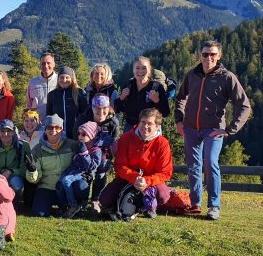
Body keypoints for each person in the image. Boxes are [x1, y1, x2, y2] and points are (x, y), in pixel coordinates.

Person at [175, 40, 251, 220]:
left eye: (212, 54)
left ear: (219, 56)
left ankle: (214, 206)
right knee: (194, 166)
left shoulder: (227, 77)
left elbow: (244, 105)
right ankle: (195, 204)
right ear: (199, 55)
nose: (208, 58)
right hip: (191, 128)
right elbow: (180, 98)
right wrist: (179, 121)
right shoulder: (192, 74)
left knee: (210, 163)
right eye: (205, 54)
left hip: (214, 129)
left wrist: (230, 129)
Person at [99, 108, 173, 219]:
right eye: (143, 122)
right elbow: (120, 165)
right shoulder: (125, 138)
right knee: (105, 200)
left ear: (157, 126)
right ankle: (134, 202)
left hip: (151, 180)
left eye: (150, 124)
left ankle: (146, 204)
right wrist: (135, 178)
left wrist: (146, 181)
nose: (145, 126)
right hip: (128, 178)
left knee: (163, 197)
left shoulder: (162, 143)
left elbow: (165, 172)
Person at [25, 114, 82, 217]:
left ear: (62, 129)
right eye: (50, 127)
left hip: (65, 187)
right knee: (40, 213)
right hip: (47, 187)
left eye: (57, 127)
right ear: (45, 130)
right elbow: (35, 180)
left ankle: (74, 204)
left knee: (82, 185)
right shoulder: (37, 149)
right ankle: (59, 207)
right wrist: (32, 171)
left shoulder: (72, 145)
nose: (53, 130)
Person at [73, 94, 120, 213]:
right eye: (97, 108)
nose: (101, 111)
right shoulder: (83, 119)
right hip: (86, 153)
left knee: (101, 173)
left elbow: (115, 141)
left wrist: (112, 158)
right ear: (92, 108)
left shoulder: (113, 122)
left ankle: (95, 200)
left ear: (108, 108)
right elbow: (75, 137)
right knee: (85, 176)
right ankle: (83, 199)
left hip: (104, 154)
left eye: (104, 108)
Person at [56, 121, 102, 219]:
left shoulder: (96, 150)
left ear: (92, 135)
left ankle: (74, 205)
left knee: (66, 180)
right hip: (74, 171)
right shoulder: (79, 145)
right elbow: (74, 163)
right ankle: (64, 207)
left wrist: (85, 153)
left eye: (84, 134)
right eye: (79, 133)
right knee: (60, 183)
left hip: (84, 173)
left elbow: (91, 167)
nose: (80, 136)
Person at [116, 56, 170, 132]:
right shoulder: (128, 85)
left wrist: (157, 101)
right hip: (130, 128)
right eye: (137, 68)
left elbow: (165, 112)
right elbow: (118, 108)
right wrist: (121, 98)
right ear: (133, 70)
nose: (140, 71)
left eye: (144, 68)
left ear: (149, 70)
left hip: (150, 128)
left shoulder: (157, 87)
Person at [0, 119, 31, 198]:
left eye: (8, 131)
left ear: (13, 132)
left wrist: (11, 171)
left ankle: (13, 202)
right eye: (2, 131)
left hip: (14, 176)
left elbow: (25, 169)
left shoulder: (23, 146)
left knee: (17, 184)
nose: (5, 134)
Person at [46, 66, 89, 138]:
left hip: (76, 135)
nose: (64, 80)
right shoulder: (52, 94)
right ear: (58, 79)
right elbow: (49, 116)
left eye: (67, 77)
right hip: (57, 135)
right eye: (61, 77)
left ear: (72, 79)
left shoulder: (79, 93)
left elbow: (85, 114)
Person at [27, 53, 57, 122]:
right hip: (37, 126)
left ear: (54, 64)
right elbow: (29, 106)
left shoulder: (59, 81)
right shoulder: (33, 83)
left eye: (48, 63)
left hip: (55, 127)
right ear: (40, 65)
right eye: (43, 63)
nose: (46, 66)